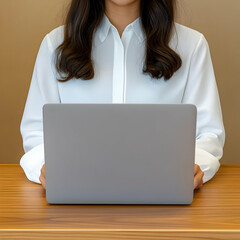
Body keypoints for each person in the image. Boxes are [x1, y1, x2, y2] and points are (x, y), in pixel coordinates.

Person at [20, 0, 225, 191]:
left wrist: (194, 166)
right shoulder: (55, 46)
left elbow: (208, 134)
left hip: (162, 194)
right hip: (78, 196)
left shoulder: (192, 45)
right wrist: (46, 167)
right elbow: (35, 132)